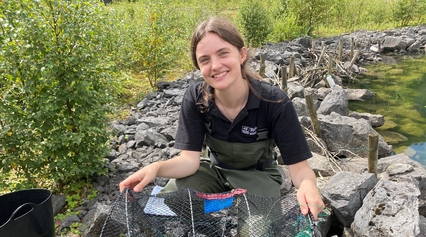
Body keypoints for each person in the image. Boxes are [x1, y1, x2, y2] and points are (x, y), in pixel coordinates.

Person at [119, 16, 324, 219]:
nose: (215, 66)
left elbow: (300, 170)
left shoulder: (274, 103)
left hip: (257, 174)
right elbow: (189, 162)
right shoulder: (195, 98)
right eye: (205, 60)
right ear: (199, 67)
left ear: (241, 54)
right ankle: (208, 230)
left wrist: (307, 186)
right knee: (176, 197)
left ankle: (246, 219)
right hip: (214, 169)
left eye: (223, 53)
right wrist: (156, 168)